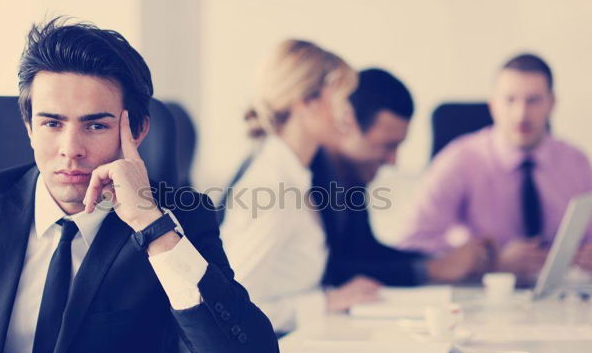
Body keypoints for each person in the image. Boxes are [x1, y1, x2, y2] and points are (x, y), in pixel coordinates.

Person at [0, 18, 279, 353]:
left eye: (95, 125)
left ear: (138, 130)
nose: (70, 149)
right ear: (28, 126)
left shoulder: (180, 216)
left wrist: (151, 225)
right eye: (51, 123)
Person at [219, 39, 380, 335]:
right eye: (344, 99)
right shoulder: (273, 190)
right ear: (307, 102)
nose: (350, 116)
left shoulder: (295, 175)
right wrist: (325, 302)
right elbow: (230, 308)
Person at [399, 54, 592, 281]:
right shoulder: (460, 160)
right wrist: (489, 262)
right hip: (485, 294)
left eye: (533, 100)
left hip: (562, 296)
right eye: (510, 100)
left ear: (551, 103)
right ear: (493, 105)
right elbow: (411, 242)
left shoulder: (576, 162)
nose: (521, 114)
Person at [312, 68, 490, 290]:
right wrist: (434, 268)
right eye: (388, 145)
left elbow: (367, 252)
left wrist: (440, 261)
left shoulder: (350, 178)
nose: (393, 160)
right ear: (348, 123)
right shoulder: (309, 175)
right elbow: (333, 269)